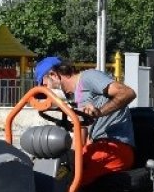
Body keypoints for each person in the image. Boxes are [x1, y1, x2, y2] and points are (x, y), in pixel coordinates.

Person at [34, 56, 137, 184]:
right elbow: (80, 137)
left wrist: (100, 112)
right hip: (96, 147)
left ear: (53, 75)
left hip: (115, 149)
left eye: (45, 85)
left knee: (69, 182)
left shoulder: (88, 77)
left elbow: (127, 93)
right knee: (58, 175)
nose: (48, 93)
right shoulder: (77, 97)